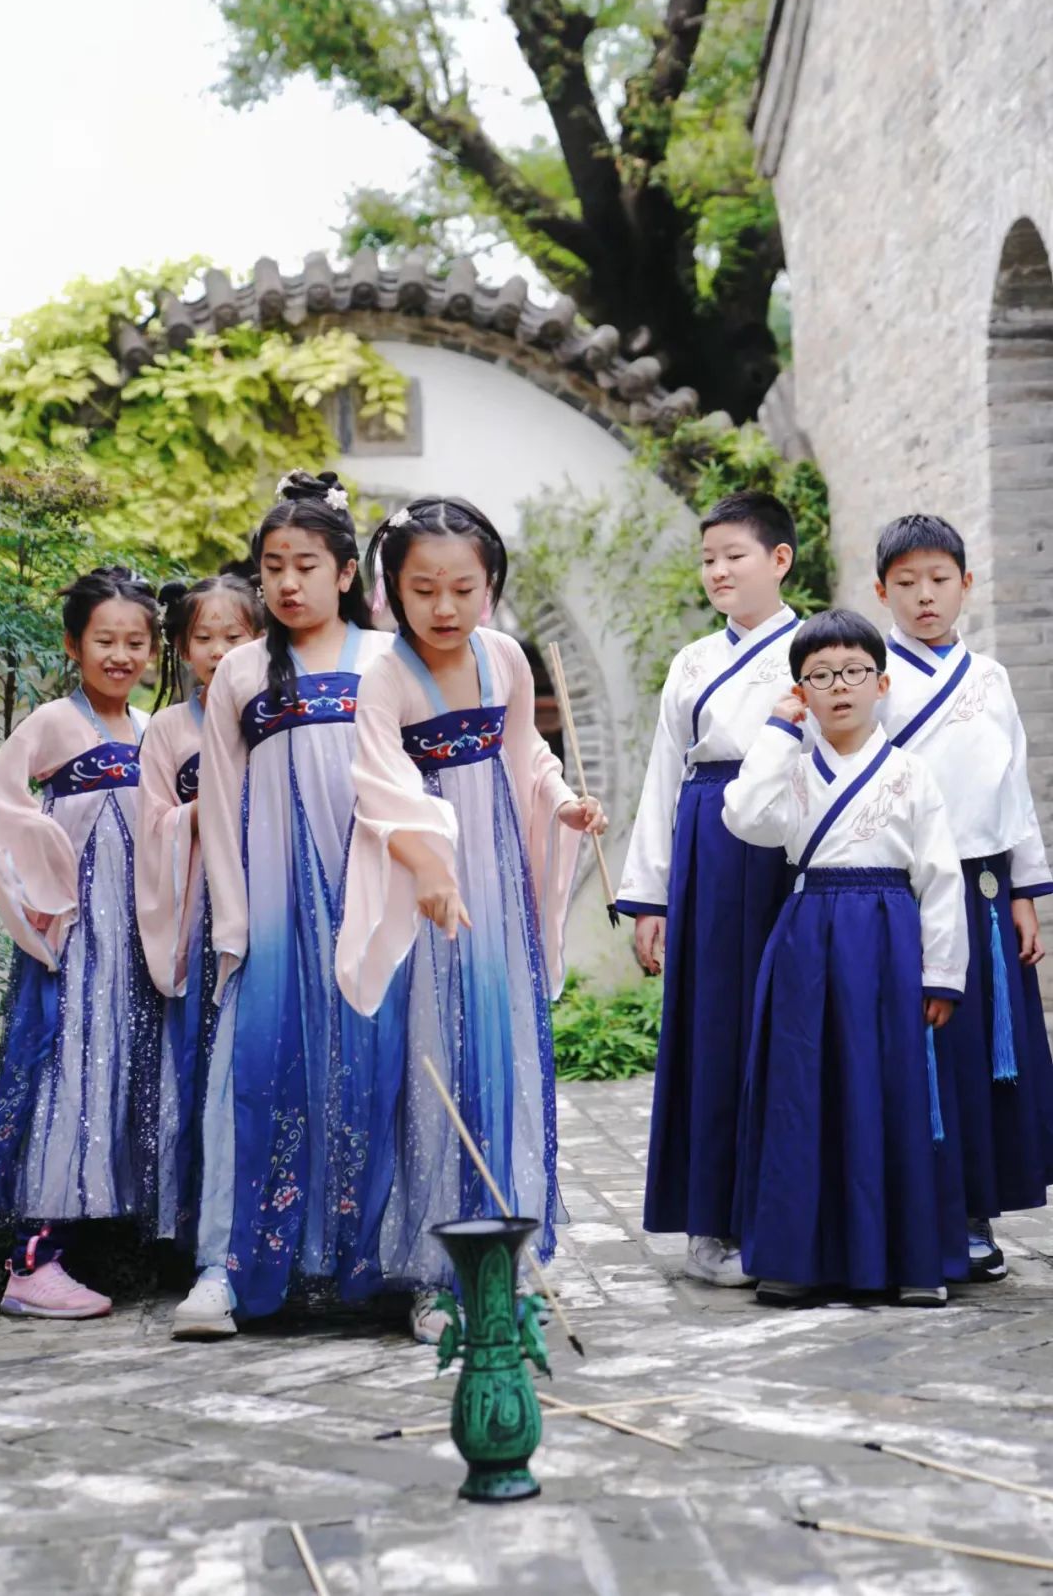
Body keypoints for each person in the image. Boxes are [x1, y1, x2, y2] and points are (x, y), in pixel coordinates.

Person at [334, 496, 605, 1343]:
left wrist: (561, 803)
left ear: (490, 587)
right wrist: (426, 871)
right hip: (427, 891)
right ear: (392, 591)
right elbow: (378, 787)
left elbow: (525, 752)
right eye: (424, 590)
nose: (444, 609)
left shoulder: (505, 660)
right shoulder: (383, 677)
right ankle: (429, 1271)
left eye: (463, 588)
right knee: (431, 1065)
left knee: (501, 1052)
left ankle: (504, 1251)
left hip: (495, 881)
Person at [170, 470, 392, 1338]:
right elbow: (221, 809)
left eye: (306, 564)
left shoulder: (387, 661)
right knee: (255, 1077)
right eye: (272, 567)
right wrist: (236, 921)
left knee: (377, 1073)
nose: (287, 583)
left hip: (375, 902)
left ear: (346, 573)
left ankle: (388, 1264)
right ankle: (226, 1268)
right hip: (273, 910)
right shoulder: (238, 674)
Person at [723, 608, 969, 1306]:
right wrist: (776, 728)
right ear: (801, 689)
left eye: (854, 671)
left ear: (881, 682)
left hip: (889, 936)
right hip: (807, 937)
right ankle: (801, 1258)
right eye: (819, 676)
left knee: (890, 1089)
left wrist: (942, 972)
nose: (839, 687)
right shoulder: (791, 772)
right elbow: (741, 815)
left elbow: (941, 877)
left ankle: (909, 1259)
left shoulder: (911, 774)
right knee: (804, 1092)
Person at [616, 490, 801, 1286]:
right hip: (709, 842)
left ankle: (792, 1217)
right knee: (712, 1026)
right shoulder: (692, 661)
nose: (719, 571)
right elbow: (665, 777)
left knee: (794, 1028)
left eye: (736, 555)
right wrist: (649, 896)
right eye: (709, 558)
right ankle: (711, 1226)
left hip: (794, 843)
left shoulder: (818, 646)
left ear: (780, 560)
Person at [0, 566, 162, 1319]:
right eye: (104, 640)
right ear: (74, 644)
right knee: (67, 1071)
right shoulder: (56, 721)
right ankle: (31, 1260)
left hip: (136, 944)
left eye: (136, 641)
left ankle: (115, 1238)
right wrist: (45, 876)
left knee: (121, 1070)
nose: (120, 655)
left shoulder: (151, 728)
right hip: (80, 940)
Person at [875, 514, 1053, 1280]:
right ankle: (918, 1207)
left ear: (966, 586)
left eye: (939, 580)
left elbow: (1012, 789)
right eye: (906, 583)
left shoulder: (990, 677)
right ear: (880, 590)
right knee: (921, 1047)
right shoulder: (869, 671)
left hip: (984, 886)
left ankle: (976, 1209)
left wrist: (1024, 888)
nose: (924, 598)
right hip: (906, 888)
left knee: (982, 1055)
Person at [134, 574, 262, 1248]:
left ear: (259, 638)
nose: (217, 652)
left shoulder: (266, 714)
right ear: (181, 647)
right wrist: (203, 811)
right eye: (203, 639)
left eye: (232, 637)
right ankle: (201, 1230)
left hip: (265, 891)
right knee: (205, 1054)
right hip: (201, 903)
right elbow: (150, 823)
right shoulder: (164, 730)